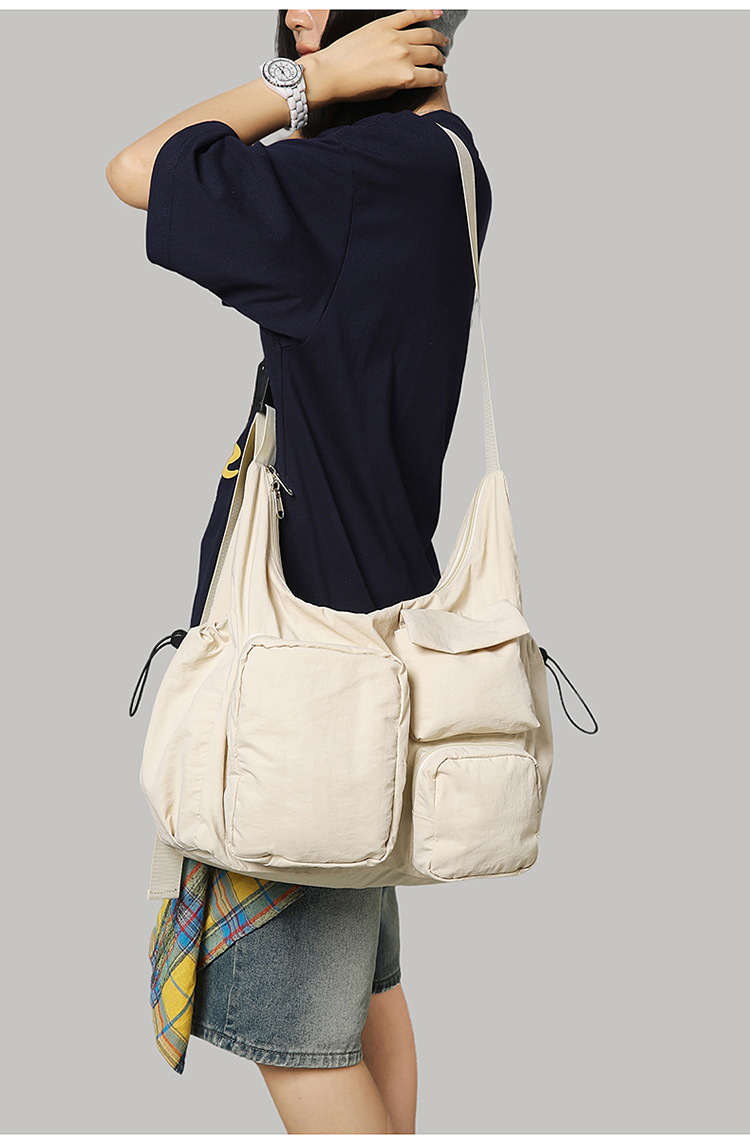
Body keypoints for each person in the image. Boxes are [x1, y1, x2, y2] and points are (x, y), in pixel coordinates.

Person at [107, 8, 491, 1133]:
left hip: (298, 681)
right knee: (363, 1004)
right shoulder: (445, 164)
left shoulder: (366, 179)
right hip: (360, 642)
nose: (299, 14)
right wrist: (331, 81)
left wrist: (301, 85)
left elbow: (139, 170)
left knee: (302, 1043)